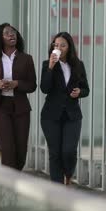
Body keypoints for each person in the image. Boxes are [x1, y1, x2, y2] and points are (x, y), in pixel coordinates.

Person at [40, 32, 90, 185]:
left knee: (68, 151)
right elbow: (44, 88)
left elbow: (86, 89)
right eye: (56, 45)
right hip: (51, 116)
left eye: (62, 45)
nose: (58, 48)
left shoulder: (78, 65)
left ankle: (68, 174)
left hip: (72, 115)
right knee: (55, 153)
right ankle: (57, 188)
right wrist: (50, 67)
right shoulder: (46, 64)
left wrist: (79, 92)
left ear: (69, 47)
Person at [0, 23, 37, 170]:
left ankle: (15, 179)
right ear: (0, 38)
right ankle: (8, 187)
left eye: (13, 32)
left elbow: (32, 85)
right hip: (0, 108)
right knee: (8, 149)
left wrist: (16, 84)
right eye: (7, 33)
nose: (11, 35)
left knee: (21, 151)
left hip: (21, 108)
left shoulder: (26, 59)